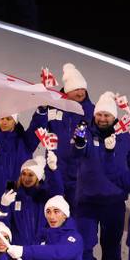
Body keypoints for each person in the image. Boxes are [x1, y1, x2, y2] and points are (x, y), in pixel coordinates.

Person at [72, 91, 130, 260]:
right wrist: (78, 141)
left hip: (113, 201)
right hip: (87, 200)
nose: (102, 119)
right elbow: (76, 152)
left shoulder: (124, 137)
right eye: (99, 114)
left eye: (107, 115)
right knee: (85, 244)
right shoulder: (85, 131)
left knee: (111, 246)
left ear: (114, 117)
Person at [30, 63, 95, 208]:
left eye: (83, 89)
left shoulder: (92, 111)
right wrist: (42, 108)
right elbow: (38, 128)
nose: (81, 93)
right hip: (55, 169)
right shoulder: (53, 105)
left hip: (80, 174)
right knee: (53, 212)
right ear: (67, 90)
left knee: (77, 215)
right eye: (76, 89)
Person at [0, 151, 63, 246]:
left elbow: (58, 192)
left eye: (31, 175)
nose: (26, 178)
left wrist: (53, 170)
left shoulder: (44, 195)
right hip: (19, 249)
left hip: (40, 248)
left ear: (38, 177)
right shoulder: (12, 195)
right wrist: (3, 206)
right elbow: (1, 224)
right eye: (24, 174)